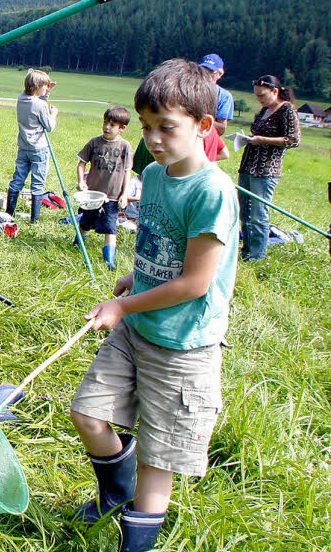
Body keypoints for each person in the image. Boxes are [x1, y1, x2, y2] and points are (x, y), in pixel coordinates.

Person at [70, 59, 238, 552]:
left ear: (204, 126)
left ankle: (135, 541)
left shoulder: (213, 191)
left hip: (182, 349)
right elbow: (164, 249)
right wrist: (134, 279)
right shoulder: (157, 175)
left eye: (167, 127)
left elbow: (195, 283)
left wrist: (122, 306)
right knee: (87, 415)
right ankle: (115, 492)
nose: (155, 138)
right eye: (147, 127)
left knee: (155, 462)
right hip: (138, 327)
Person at [238, 74, 300, 261]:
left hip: (266, 171)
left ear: (275, 91)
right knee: (245, 212)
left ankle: (258, 256)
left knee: (259, 214)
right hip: (248, 165)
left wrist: (262, 140)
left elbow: (293, 139)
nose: (260, 99)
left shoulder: (287, 110)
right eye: (257, 96)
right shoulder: (264, 110)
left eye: (263, 95)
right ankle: (247, 249)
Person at [75, 107, 133, 270]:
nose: (107, 127)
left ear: (122, 128)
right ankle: (78, 242)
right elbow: (81, 163)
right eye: (105, 122)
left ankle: (109, 260)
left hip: (113, 196)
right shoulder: (94, 142)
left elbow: (127, 172)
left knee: (111, 227)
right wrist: (81, 181)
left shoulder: (125, 146)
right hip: (92, 195)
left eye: (112, 124)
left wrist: (125, 194)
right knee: (86, 222)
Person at [6, 69, 57, 223]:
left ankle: (9, 213)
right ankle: (34, 219)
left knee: (18, 179)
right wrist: (53, 114)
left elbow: (37, 100)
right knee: (38, 182)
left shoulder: (21, 98)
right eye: (44, 86)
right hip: (39, 149)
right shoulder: (41, 105)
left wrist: (46, 91)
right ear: (38, 87)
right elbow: (49, 126)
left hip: (23, 147)